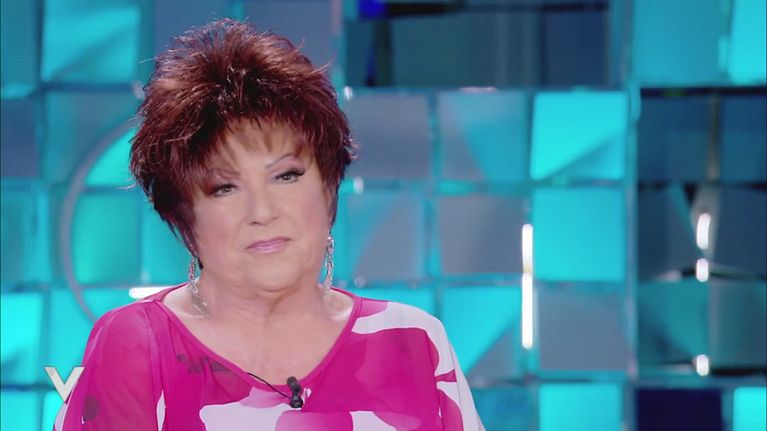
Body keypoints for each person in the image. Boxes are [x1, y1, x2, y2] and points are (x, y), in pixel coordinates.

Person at [54, 18, 484, 430]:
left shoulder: (412, 340)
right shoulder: (136, 345)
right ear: (185, 218)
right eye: (224, 188)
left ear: (328, 188)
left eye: (286, 176)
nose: (262, 211)